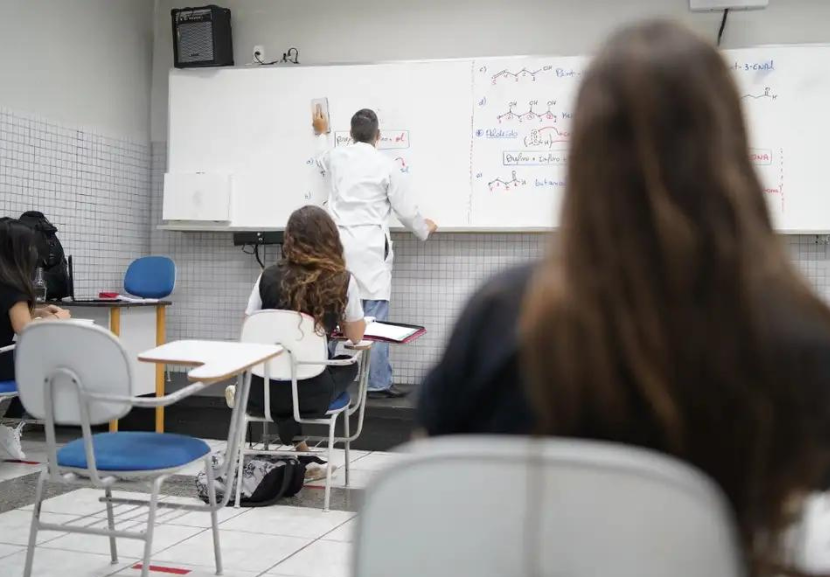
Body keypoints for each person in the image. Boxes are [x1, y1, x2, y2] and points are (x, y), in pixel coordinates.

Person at [419, 20, 830, 575]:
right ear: (729, 148)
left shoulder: (501, 315)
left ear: (584, 155)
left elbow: (433, 486)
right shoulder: (803, 335)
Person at [313, 108, 437, 398]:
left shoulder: (336, 156)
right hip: (370, 248)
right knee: (375, 319)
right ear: (378, 136)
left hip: (339, 247)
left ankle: (320, 375)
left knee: (332, 311)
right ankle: (378, 382)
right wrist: (424, 229)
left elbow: (320, 159)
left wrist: (321, 133)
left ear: (351, 134)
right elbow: (406, 211)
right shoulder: (386, 165)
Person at [234, 206, 365, 477]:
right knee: (348, 364)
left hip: (260, 392)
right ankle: (307, 458)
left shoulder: (267, 276)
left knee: (284, 371)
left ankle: (304, 454)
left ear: (289, 238)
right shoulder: (342, 280)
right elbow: (356, 337)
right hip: (310, 395)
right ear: (331, 238)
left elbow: (249, 327)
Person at [0, 217, 70, 459]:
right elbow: (25, 329)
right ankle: (9, 428)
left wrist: (39, 311)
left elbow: (7, 314)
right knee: (47, 366)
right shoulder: (11, 285)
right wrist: (59, 318)